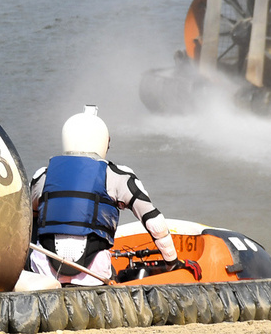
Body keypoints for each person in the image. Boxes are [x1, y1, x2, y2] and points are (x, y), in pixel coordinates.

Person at [26, 106, 179, 286]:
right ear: (103, 141)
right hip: (93, 275)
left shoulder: (42, 176)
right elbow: (154, 222)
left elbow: (25, 225)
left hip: (44, 273)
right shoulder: (118, 176)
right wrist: (172, 262)